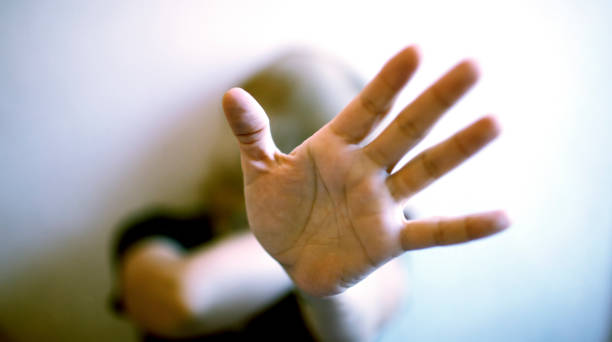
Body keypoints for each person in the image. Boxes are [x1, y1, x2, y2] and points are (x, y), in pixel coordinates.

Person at [111, 46, 510, 341]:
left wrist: (324, 277)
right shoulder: (161, 229)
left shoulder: (382, 230)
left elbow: (354, 331)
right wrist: (285, 246)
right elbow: (177, 302)